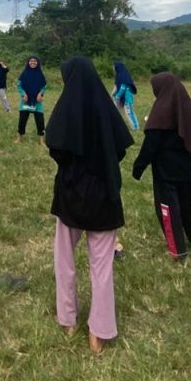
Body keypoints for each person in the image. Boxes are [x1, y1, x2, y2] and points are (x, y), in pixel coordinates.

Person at [45, 56, 133, 353]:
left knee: (65, 260)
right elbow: (120, 146)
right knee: (102, 267)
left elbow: (55, 145)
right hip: (105, 194)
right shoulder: (107, 109)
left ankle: (68, 320)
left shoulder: (65, 110)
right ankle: (100, 331)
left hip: (71, 194)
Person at [132, 73, 191, 259]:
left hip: (166, 170)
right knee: (190, 204)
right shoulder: (188, 108)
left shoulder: (160, 112)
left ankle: (178, 250)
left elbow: (151, 144)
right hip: (189, 167)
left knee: (169, 207)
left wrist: (138, 167)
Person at [16, 55, 47, 143]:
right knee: (22, 119)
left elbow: (44, 86)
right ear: (28, 62)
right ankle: (19, 138)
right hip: (25, 101)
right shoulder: (24, 73)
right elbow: (19, 85)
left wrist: (41, 94)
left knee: (40, 120)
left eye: (35, 61)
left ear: (38, 63)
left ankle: (42, 140)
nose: (33, 62)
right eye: (31, 61)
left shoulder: (40, 74)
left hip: (37, 102)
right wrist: (23, 94)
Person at [112, 60, 139, 132]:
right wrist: (112, 94)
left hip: (127, 97)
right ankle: (114, 125)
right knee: (116, 110)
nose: (113, 68)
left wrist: (117, 96)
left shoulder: (123, 75)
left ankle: (135, 127)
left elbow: (123, 86)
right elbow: (116, 86)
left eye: (114, 66)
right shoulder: (118, 75)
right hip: (121, 97)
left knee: (129, 112)